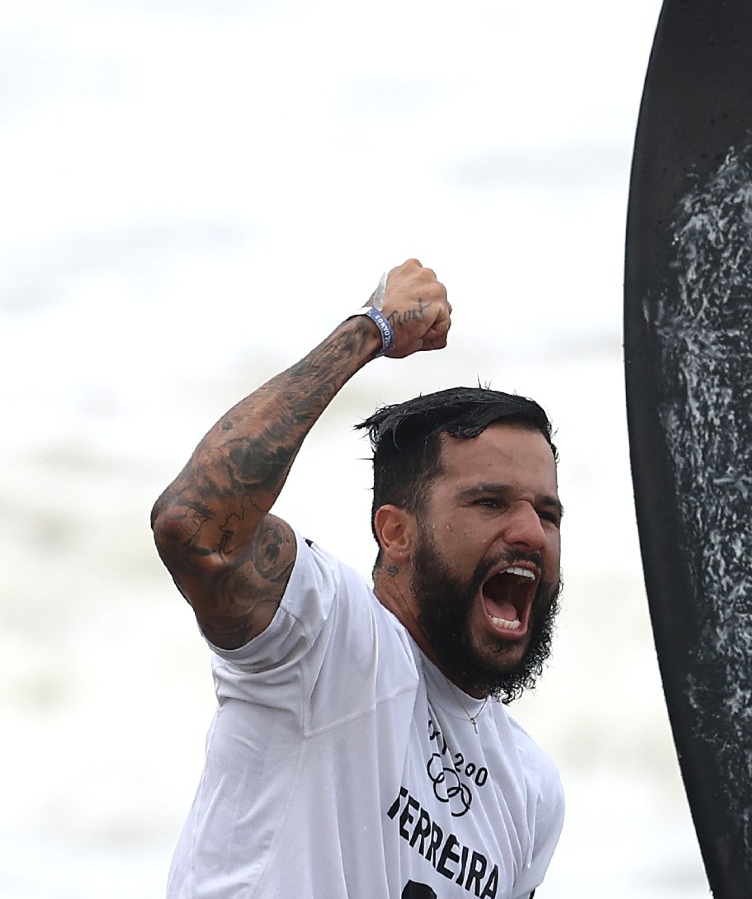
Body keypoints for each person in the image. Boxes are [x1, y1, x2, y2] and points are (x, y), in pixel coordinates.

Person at [150, 259, 565, 899]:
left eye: (546, 513)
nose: (532, 534)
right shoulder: (325, 639)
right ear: (395, 532)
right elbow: (195, 525)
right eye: (489, 502)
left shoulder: (531, 789)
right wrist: (370, 330)